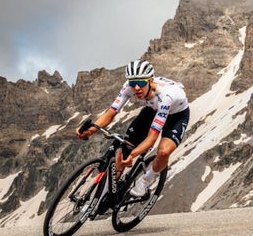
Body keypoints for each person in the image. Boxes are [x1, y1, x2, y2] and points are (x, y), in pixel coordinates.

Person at [76, 59, 190, 197]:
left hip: (177, 116)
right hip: (152, 110)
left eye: (141, 83)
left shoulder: (166, 96)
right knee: (124, 150)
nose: (136, 88)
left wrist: (133, 155)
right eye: (132, 83)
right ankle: (100, 198)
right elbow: (111, 112)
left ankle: (146, 180)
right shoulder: (128, 87)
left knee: (164, 152)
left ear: (150, 81)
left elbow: (152, 138)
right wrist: (91, 130)